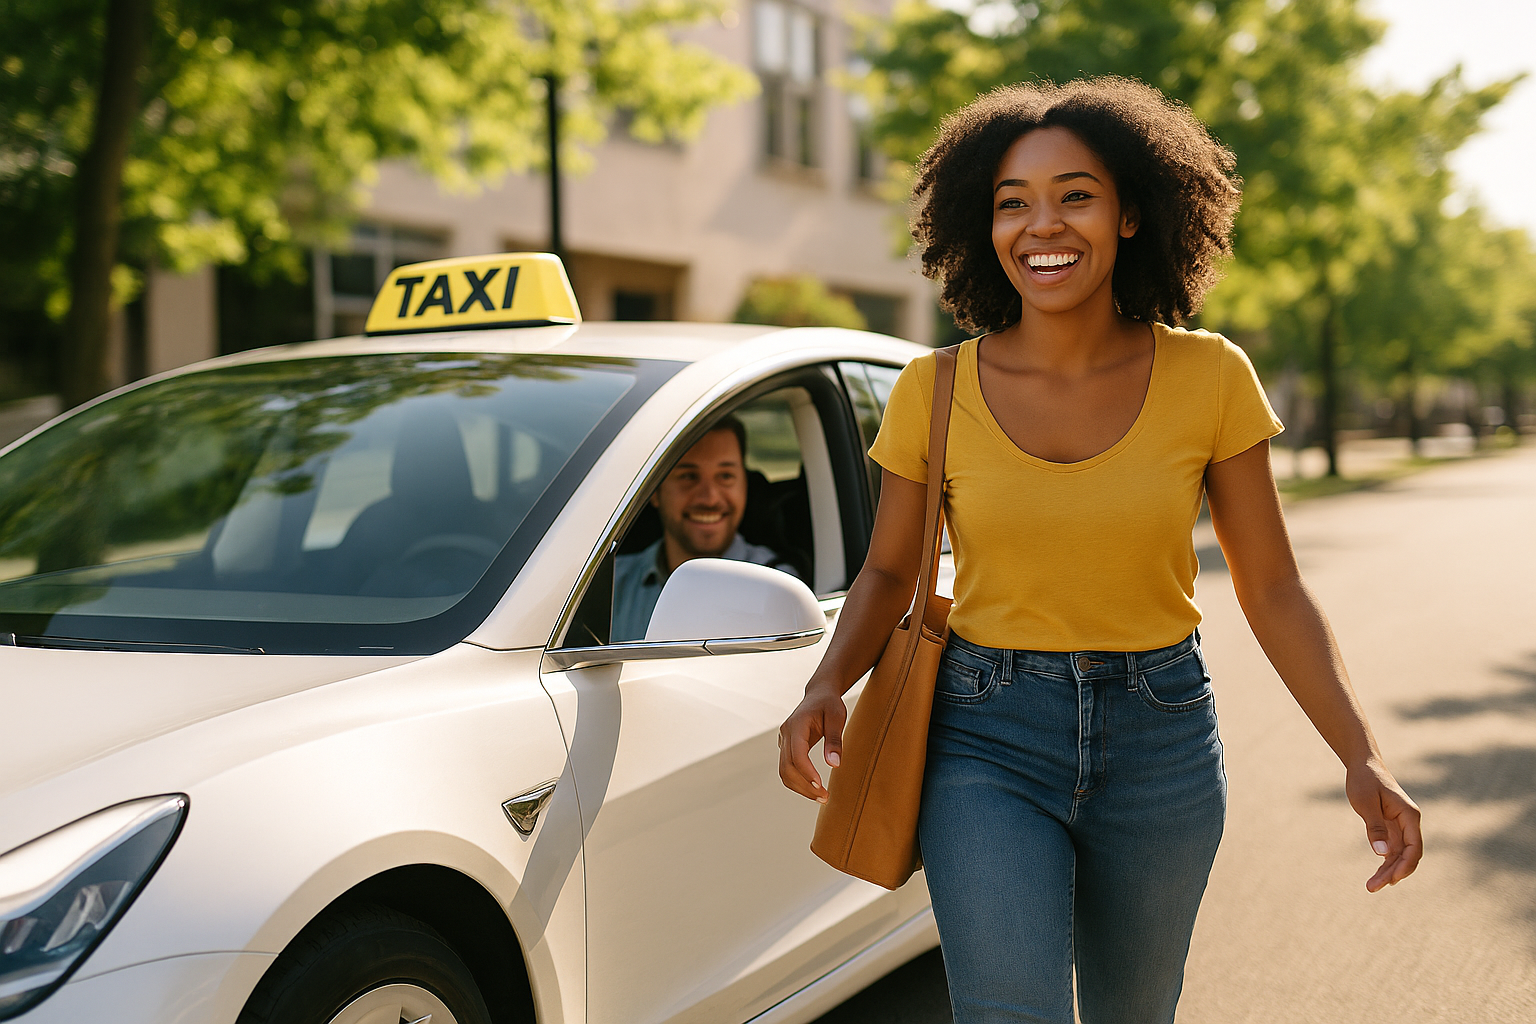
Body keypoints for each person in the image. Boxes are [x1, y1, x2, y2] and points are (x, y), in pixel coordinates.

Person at [777, 78, 1422, 1024]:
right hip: (984, 735)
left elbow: (1271, 584)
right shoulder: (934, 388)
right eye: (1013, 203)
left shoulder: (1210, 375)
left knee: (1135, 1013)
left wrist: (1360, 755)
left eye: (1075, 194)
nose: (1044, 224)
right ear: (982, 227)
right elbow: (885, 568)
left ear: (1129, 213)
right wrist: (824, 683)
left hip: (1159, 737)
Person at [611, 416, 799, 642]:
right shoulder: (608, 588)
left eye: (725, 476)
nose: (709, 498)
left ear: (745, 485)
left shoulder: (777, 587)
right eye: (688, 476)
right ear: (654, 491)